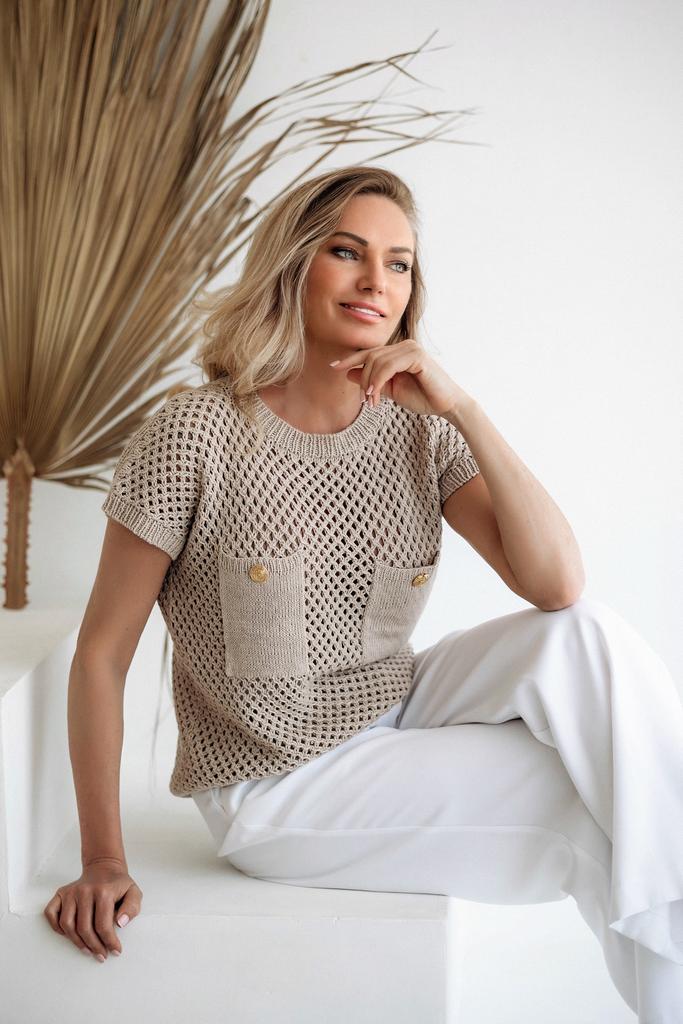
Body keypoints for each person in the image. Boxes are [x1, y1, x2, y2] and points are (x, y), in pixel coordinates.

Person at [43, 165, 683, 1020]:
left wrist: (463, 408)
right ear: (294, 264)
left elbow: (556, 583)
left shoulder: (419, 428)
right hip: (276, 781)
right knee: (599, 810)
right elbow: (101, 655)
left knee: (585, 637)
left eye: (399, 263)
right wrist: (102, 860)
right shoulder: (195, 434)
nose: (376, 280)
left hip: (394, 704)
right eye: (347, 252)